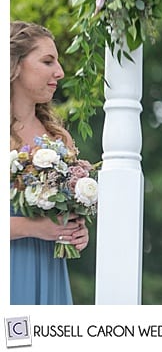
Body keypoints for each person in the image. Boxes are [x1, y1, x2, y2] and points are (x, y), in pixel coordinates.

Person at [10, 21, 90, 305]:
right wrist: (34, 228)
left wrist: (77, 228)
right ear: (15, 66)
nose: (60, 72)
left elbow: (63, 213)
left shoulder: (58, 138)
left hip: (51, 270)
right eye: (47, 61)